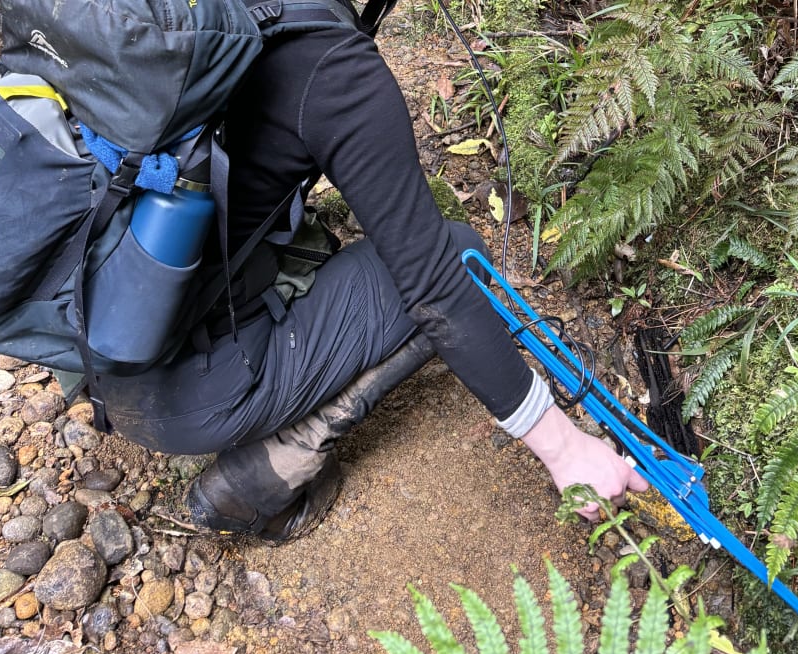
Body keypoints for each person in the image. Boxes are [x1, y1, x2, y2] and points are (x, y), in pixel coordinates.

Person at [96, 0, 649, 542]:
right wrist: (565, 448)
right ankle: (271, 468)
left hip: (87, 332)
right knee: (459, 255)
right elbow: (435, 285)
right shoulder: (330, 65)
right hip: (177, 396)